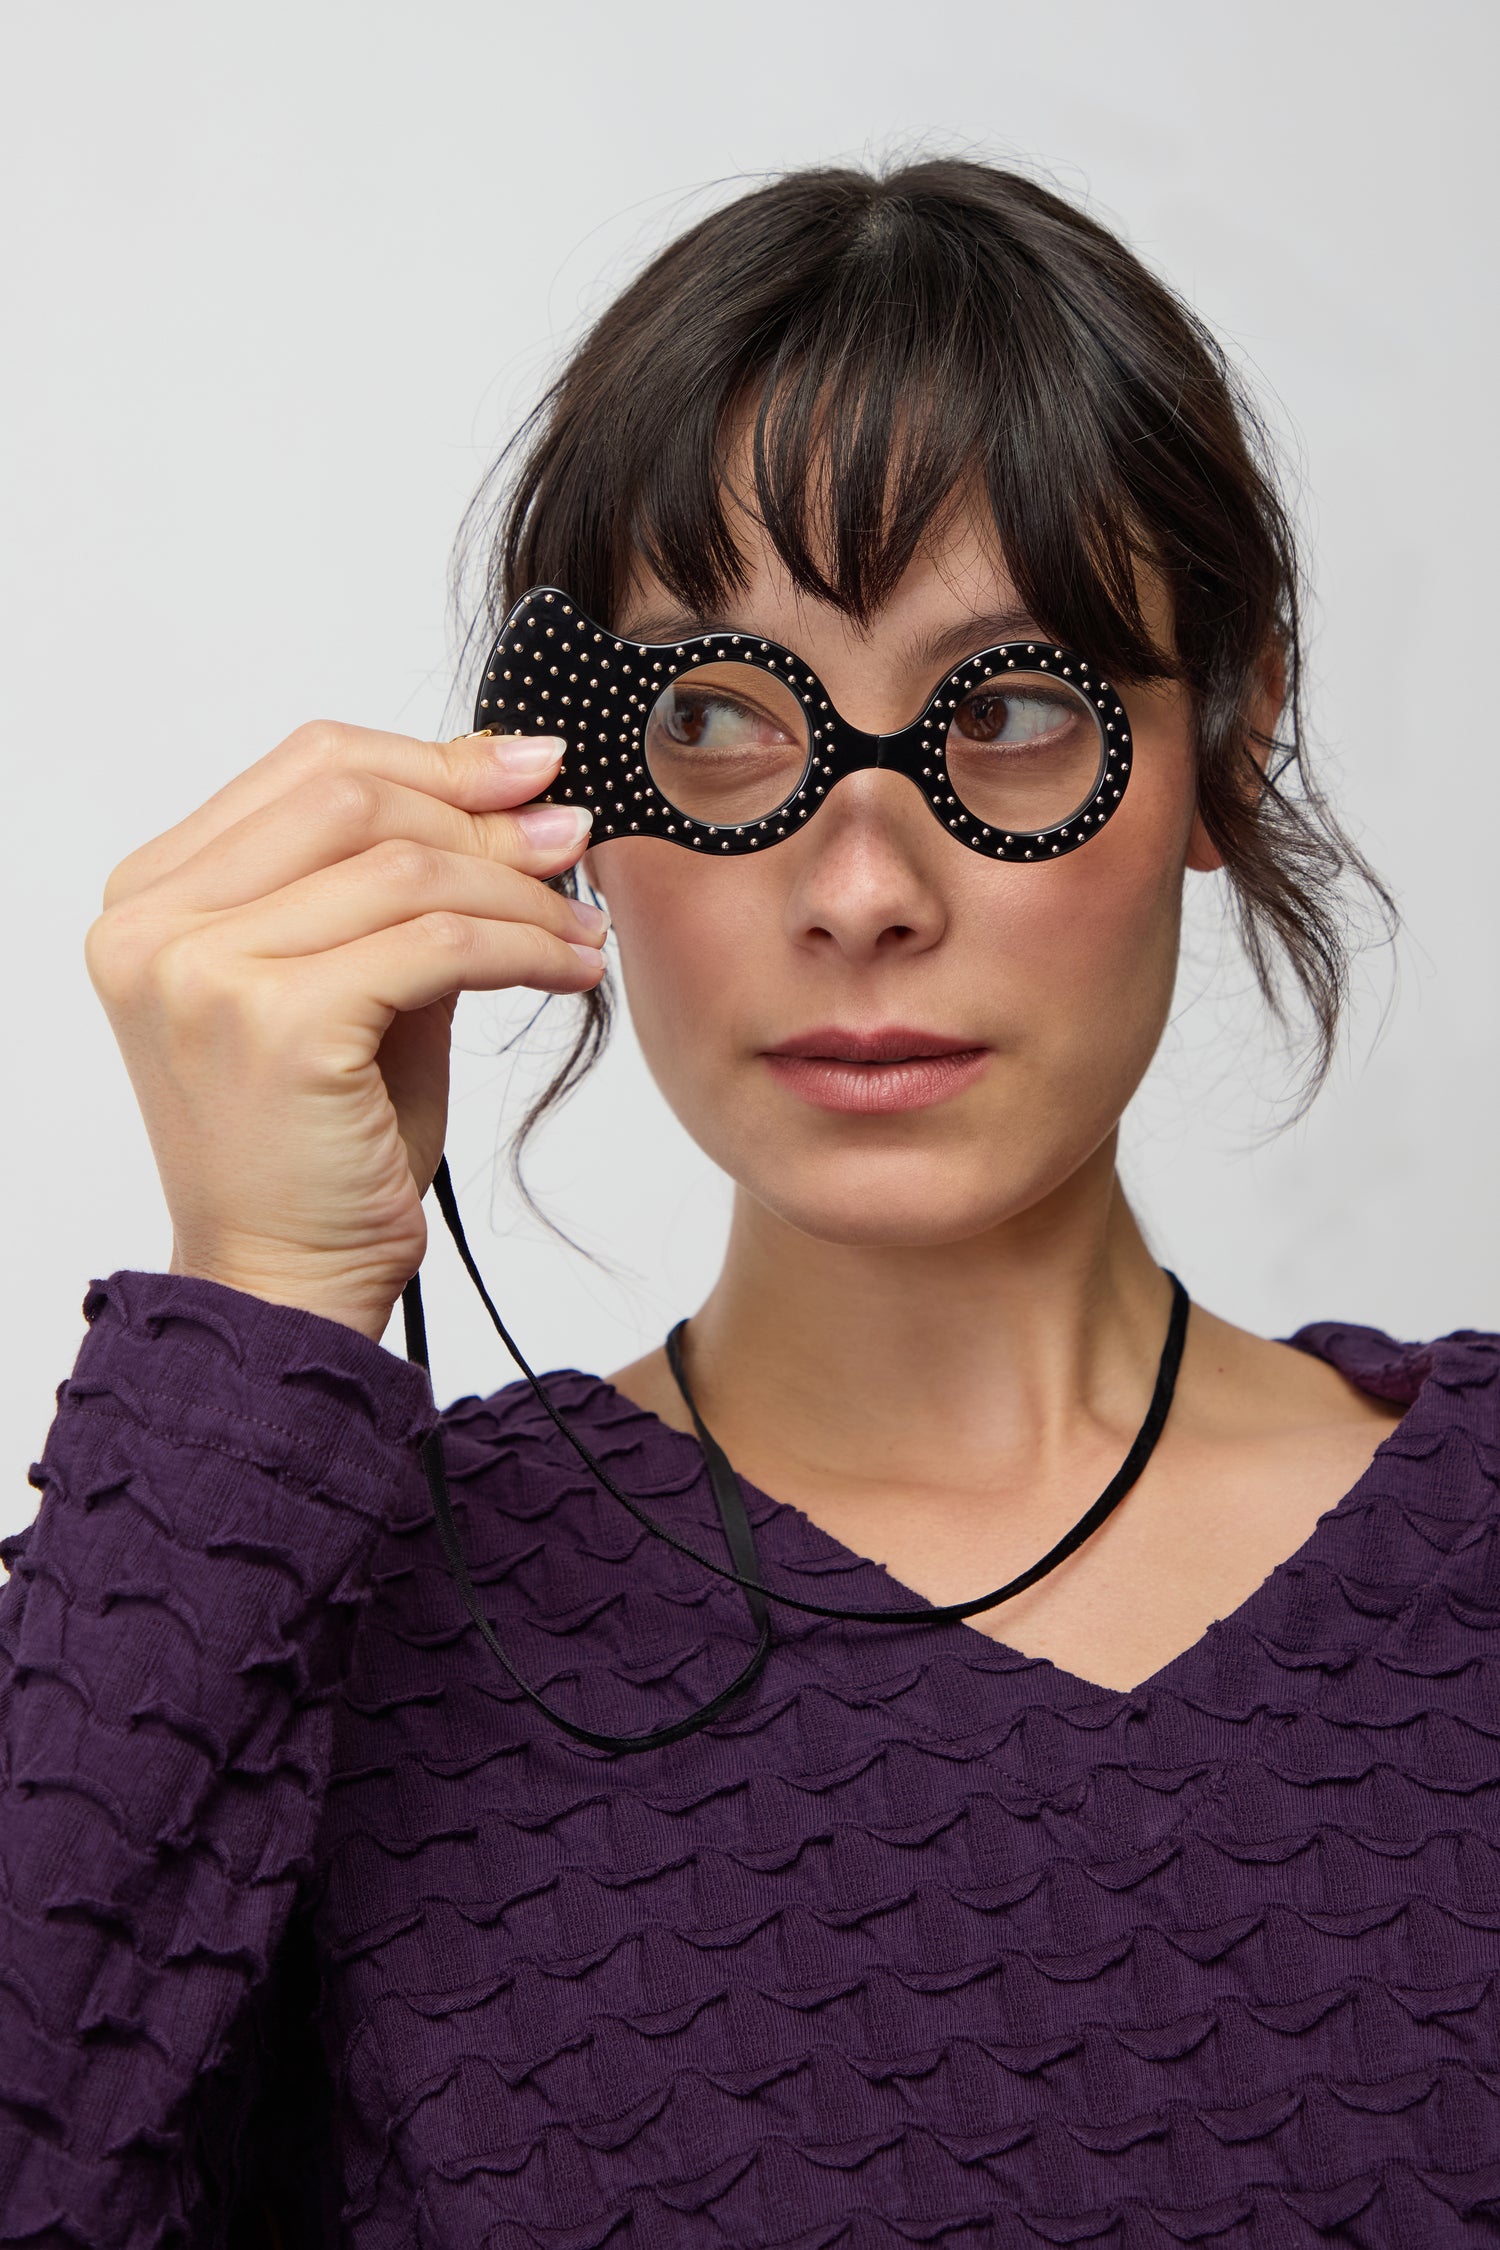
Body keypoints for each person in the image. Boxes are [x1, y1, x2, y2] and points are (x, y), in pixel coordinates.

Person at [3, 156, 1496, 2248]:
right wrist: (258, 1305)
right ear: (564, 793)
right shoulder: (330, 1621)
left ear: (1223, 753)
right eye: (716, 719)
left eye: (1015, 709)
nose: (865, 889)